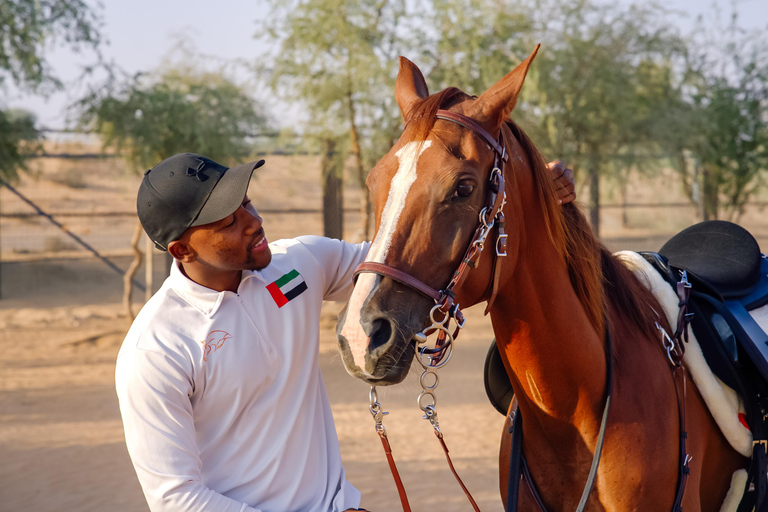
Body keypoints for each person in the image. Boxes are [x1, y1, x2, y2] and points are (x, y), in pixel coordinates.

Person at [115, 153, 575, 512]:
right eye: (228, 222)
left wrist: (524, 195)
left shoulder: (294, 266)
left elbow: (405, 264)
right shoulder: (157, 348)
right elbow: (175, 499)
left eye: (246, 204)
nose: (253, 222)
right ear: (181, 249)